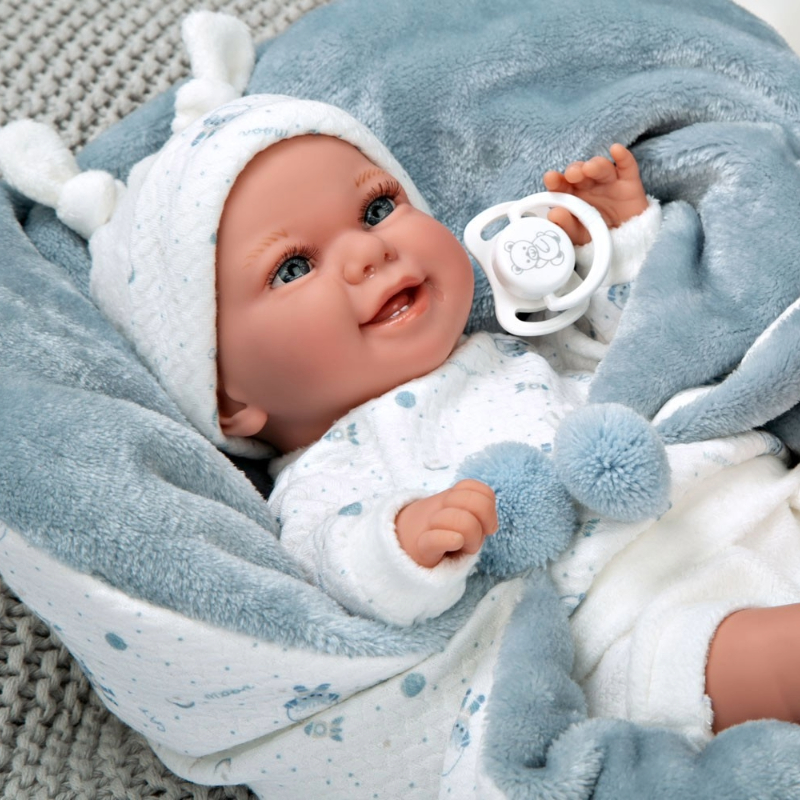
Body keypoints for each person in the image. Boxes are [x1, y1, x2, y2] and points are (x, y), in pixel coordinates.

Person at [4, 87, 800, 744]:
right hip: (632, 624)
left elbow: (640, 359)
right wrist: (403, 544)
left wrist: (616, 244)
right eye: (293, 267)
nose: (368, 252)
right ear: (229, 398)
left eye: (378, 207)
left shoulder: (510, 342)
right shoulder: (324, 475)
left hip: (739, 503)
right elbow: (336, 565)